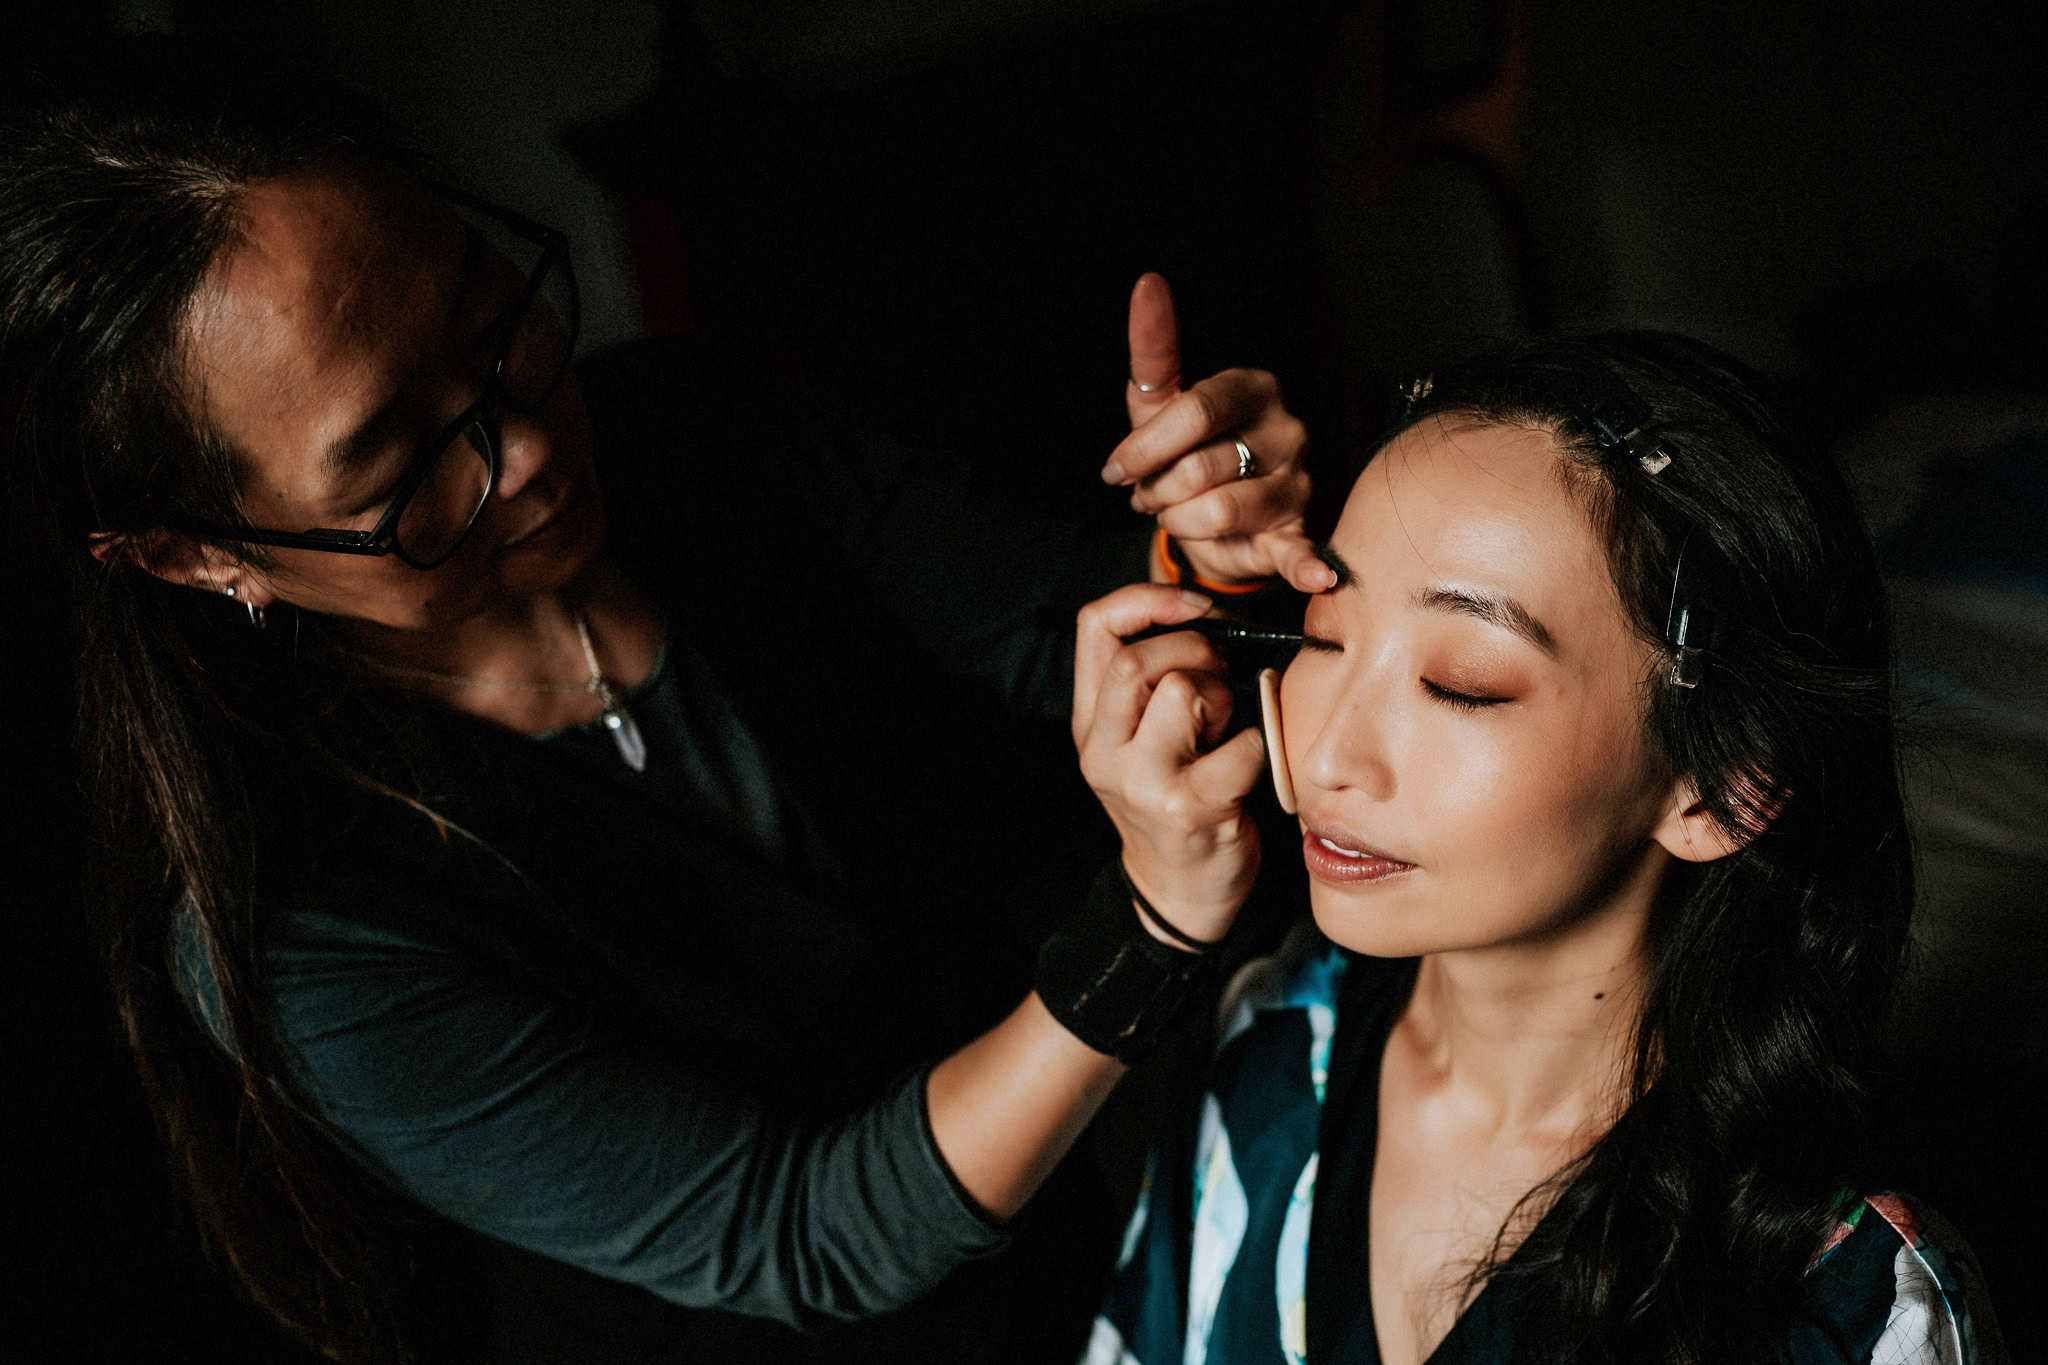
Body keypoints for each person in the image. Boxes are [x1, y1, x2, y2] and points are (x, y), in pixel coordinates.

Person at [2, 39, 1330, 1363]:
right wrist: (1143, 933)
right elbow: (799, 1235)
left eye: (490, 321)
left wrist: (1203, 547)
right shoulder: (289, 913)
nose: (527, 452)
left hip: (1074, 1269)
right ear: (196, 554)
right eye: (401, 467)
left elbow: (1071, 633)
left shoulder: (704, 435)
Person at [1083, 334, 2008, 1362]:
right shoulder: (1270, 1048)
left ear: (1721, 789)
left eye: (1461, 683)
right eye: (1321, 635)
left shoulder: (1841, 1301)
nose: (1326, 750)